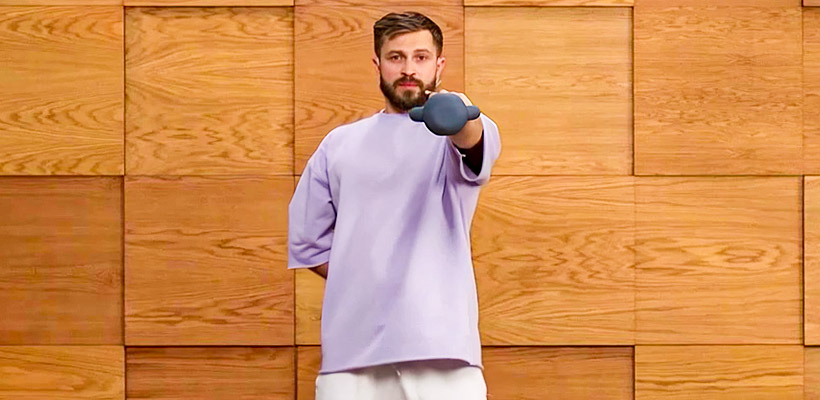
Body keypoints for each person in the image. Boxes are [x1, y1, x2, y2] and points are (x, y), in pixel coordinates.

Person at [287, 10, 501, 400]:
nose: (408, 69)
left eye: (421, 57)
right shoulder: (338, 145)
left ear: (439, 65)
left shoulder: (458, 128)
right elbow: (308, 244)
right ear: (377, 64)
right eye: (396, 57)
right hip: (351, 356)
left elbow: (473, 140)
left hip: (442, 353)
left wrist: (455, 116)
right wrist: (366, 281)